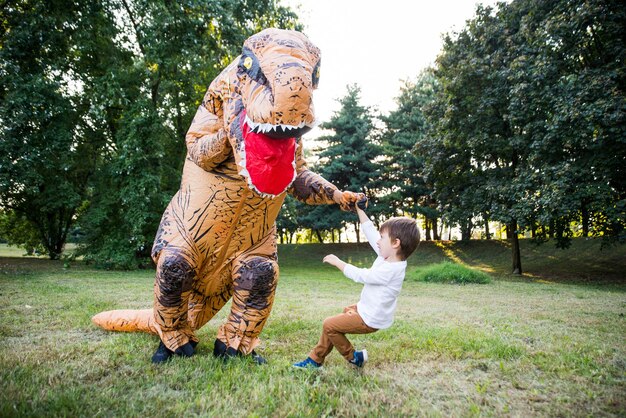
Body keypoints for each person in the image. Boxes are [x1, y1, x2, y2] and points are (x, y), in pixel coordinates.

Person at [293, 202, 420, 369]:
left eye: (383, 238)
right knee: (339, 318)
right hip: (364, 309)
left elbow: (362, 276)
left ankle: (353, 357)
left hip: (370, 319)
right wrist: (359, 209)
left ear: (395, 243)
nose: (378, 241)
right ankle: (315, 359)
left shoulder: (392, 270)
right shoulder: (386, 257)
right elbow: (370, 232)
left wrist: (338, 262)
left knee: (329, 325)